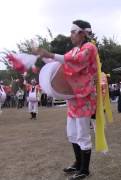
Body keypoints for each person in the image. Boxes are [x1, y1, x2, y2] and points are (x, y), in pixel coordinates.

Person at [33, 20, 97, 179]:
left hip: (84, 97)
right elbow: (59, 61)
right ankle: (78, 163)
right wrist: (43, 56)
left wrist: (49, 54)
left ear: (82, 33)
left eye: (72, 32)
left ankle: (84, 169)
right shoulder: (75, 49)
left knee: (82, 134)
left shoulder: (90, 48)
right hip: (73, 98)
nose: (70, 35)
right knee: (72, 133)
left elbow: (76, 61)